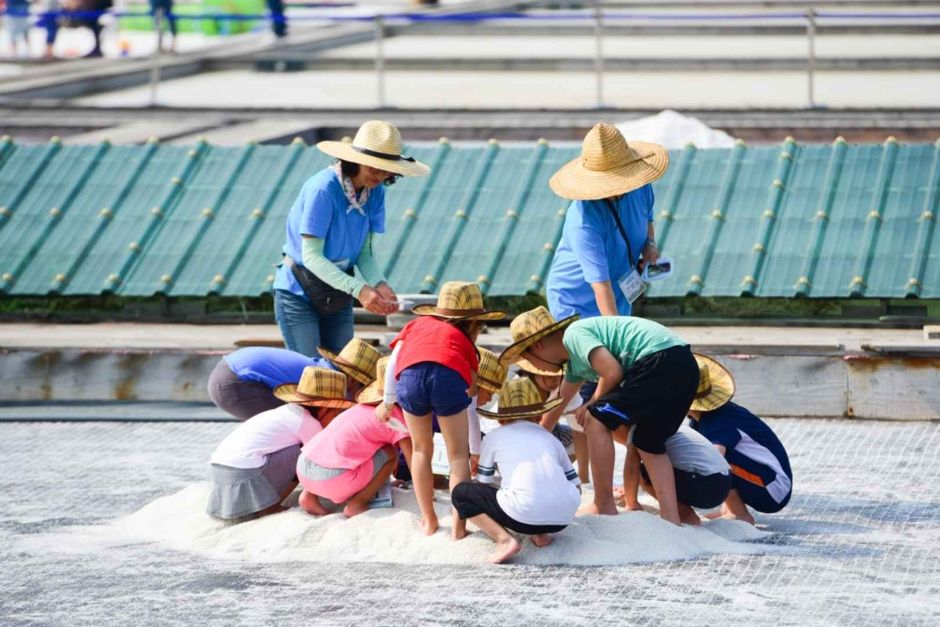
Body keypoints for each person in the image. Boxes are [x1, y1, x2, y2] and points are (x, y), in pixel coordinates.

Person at [499, 308, 698, 525]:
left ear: (537, 346)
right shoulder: (575, 362)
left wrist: (592, 404)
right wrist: (531, 437)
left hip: (656, 359)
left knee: (595, 419)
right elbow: (560, 401)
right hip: (684, 364)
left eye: (528, 358)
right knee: (648, 441)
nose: (533, 367)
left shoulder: (573, 335)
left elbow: (612, 372)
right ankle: (672, 518)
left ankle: (603, 504)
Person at [272, 120, 429, 357]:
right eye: (374, 167)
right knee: (310, 374)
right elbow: (312, 256)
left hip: (339, 291)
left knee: (345, 369)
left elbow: (364, 253)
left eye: (386, 169)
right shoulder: (323, 189)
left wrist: (379, 284)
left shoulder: (375, 192)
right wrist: (361, 290)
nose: (379, 175)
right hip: (299, 291)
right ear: (356, 162)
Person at [380, 281, 504, 538]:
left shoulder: (416, 326)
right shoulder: (465, 346)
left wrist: (388, 400)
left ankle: (429, 520)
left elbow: (393, 363)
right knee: (457, 456)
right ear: (473, 324)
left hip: (410, 377)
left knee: (421, 449)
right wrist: (476, 451)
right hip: (447, 377)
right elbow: (470, 403)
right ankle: (459, 527)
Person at [452, 378, 582, 564]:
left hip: (522, 517)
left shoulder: (493, 437)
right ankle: (541, 534)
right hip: (563, 519)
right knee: (539, 485)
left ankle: (504, 540)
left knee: (462, 493)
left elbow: (483, 483)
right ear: (538, 417)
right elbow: (576, 486)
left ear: (502, 419)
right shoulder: (550, 438)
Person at [206, 367, 354, 522]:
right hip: (243, 473)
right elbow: (323, 459)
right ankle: (274, 506)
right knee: (308, 457)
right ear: (325, 408)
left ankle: (267, 503)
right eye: (336, 413)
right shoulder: (307, 422)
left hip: (221, 469)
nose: (336, 418)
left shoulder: (287, 412)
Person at [296, 356, 412, 519]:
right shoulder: (394, 417)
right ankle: (357, 504)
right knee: (390, 454)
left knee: (332, 446)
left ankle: (308, 496)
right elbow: (414, 460)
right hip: (334, 481)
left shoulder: (359, 408)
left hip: (303, 469)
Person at [688, 354, 793, 525]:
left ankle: (739, 514)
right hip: (765, 479)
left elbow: (713, 459)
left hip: (773, 488)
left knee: (714, 459)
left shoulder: (719, 420)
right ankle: (728, 508)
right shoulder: (700, 419)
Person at [207, 340, 379, 421]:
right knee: (293, 428)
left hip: (229, 369)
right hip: (235, 381)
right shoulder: (326, 380)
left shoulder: (321, 368)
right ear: (352, 381)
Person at [617, 423, 730, 526]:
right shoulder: (672, 421)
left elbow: (632, 468)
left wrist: (631, 503)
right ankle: (683, 512)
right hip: (725, 483)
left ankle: (684, 514)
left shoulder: (638, 429)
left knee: (645, 471)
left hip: (705, 483)